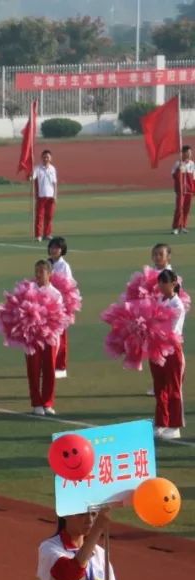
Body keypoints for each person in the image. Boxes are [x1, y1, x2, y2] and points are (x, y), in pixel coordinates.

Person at [27, 260, 63, 416]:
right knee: (33, 369)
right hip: (32, 337)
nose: (38, 275)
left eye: (41, 272)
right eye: (36, 271)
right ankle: (36, 402)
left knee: (49, 369)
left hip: (50, 338)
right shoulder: (28, 290)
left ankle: (48, 402)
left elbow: (59, 317)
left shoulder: (56, 294)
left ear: (50, 274)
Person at [153, 269, 186, 439]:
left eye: (163, 283)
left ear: (173, 283)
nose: (160, 286)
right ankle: (161, 422)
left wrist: (152, 328)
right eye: (159, 283)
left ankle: (175, 426)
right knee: (160, 388)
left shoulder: (177, 305)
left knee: (173, 388)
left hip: (172, 350)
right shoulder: (159, 299)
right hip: (157, 349)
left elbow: (171, 329)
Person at [48, 237, 73, 379]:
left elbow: (68, 287)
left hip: (60, 305)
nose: (53, 250)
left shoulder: (64, 266)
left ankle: (61, 367)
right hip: (47, 306)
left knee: (61, 337)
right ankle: (49, 364)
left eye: (57, 248)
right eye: (52, 247)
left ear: (62, 250)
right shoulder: (47, 263)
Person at [33, 149, 58, 242]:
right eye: (44, 157)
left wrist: (55, 195)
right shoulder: (37, 168)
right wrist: (30, 176)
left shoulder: (53, 169)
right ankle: (38, 235)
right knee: (40, 216)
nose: (46, 159)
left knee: (49, 216)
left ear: (50, 158)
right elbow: (32, 177)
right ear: (41, 158)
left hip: (50, 196)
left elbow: (55, 183)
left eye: (47, 157)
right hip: (41, 196)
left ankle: (47, 234)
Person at [172, 145, 195, 234]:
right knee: (179, 208)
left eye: (191, 153)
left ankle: (183, 226)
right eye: (188, 153)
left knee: (186, 209)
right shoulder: (178, 163)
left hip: (189, 191)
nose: (190, 154)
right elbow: (173, 176)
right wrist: (179, 169)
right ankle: (176, 227)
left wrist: (194, 190)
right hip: (180, 191)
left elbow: (193, 178)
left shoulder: (192, 164)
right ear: (183, 153)